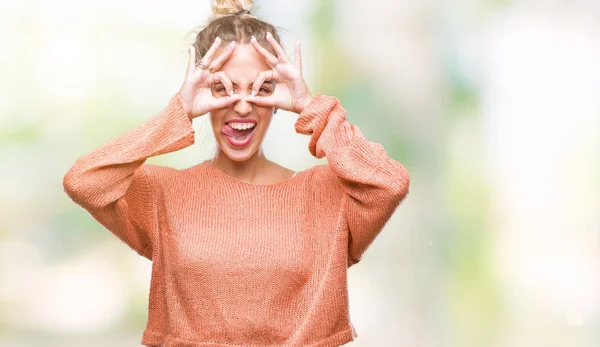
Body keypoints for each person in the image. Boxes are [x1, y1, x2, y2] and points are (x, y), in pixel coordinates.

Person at [62, 0, 410, 346]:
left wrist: (309, 106)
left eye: (262, 89)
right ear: (202, 93)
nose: (242, 105)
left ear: (279, 98)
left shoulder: (326, 195)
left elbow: (390, 184)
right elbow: (84, 182)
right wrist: (178, 112)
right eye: (221, 89)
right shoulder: (163, 193)